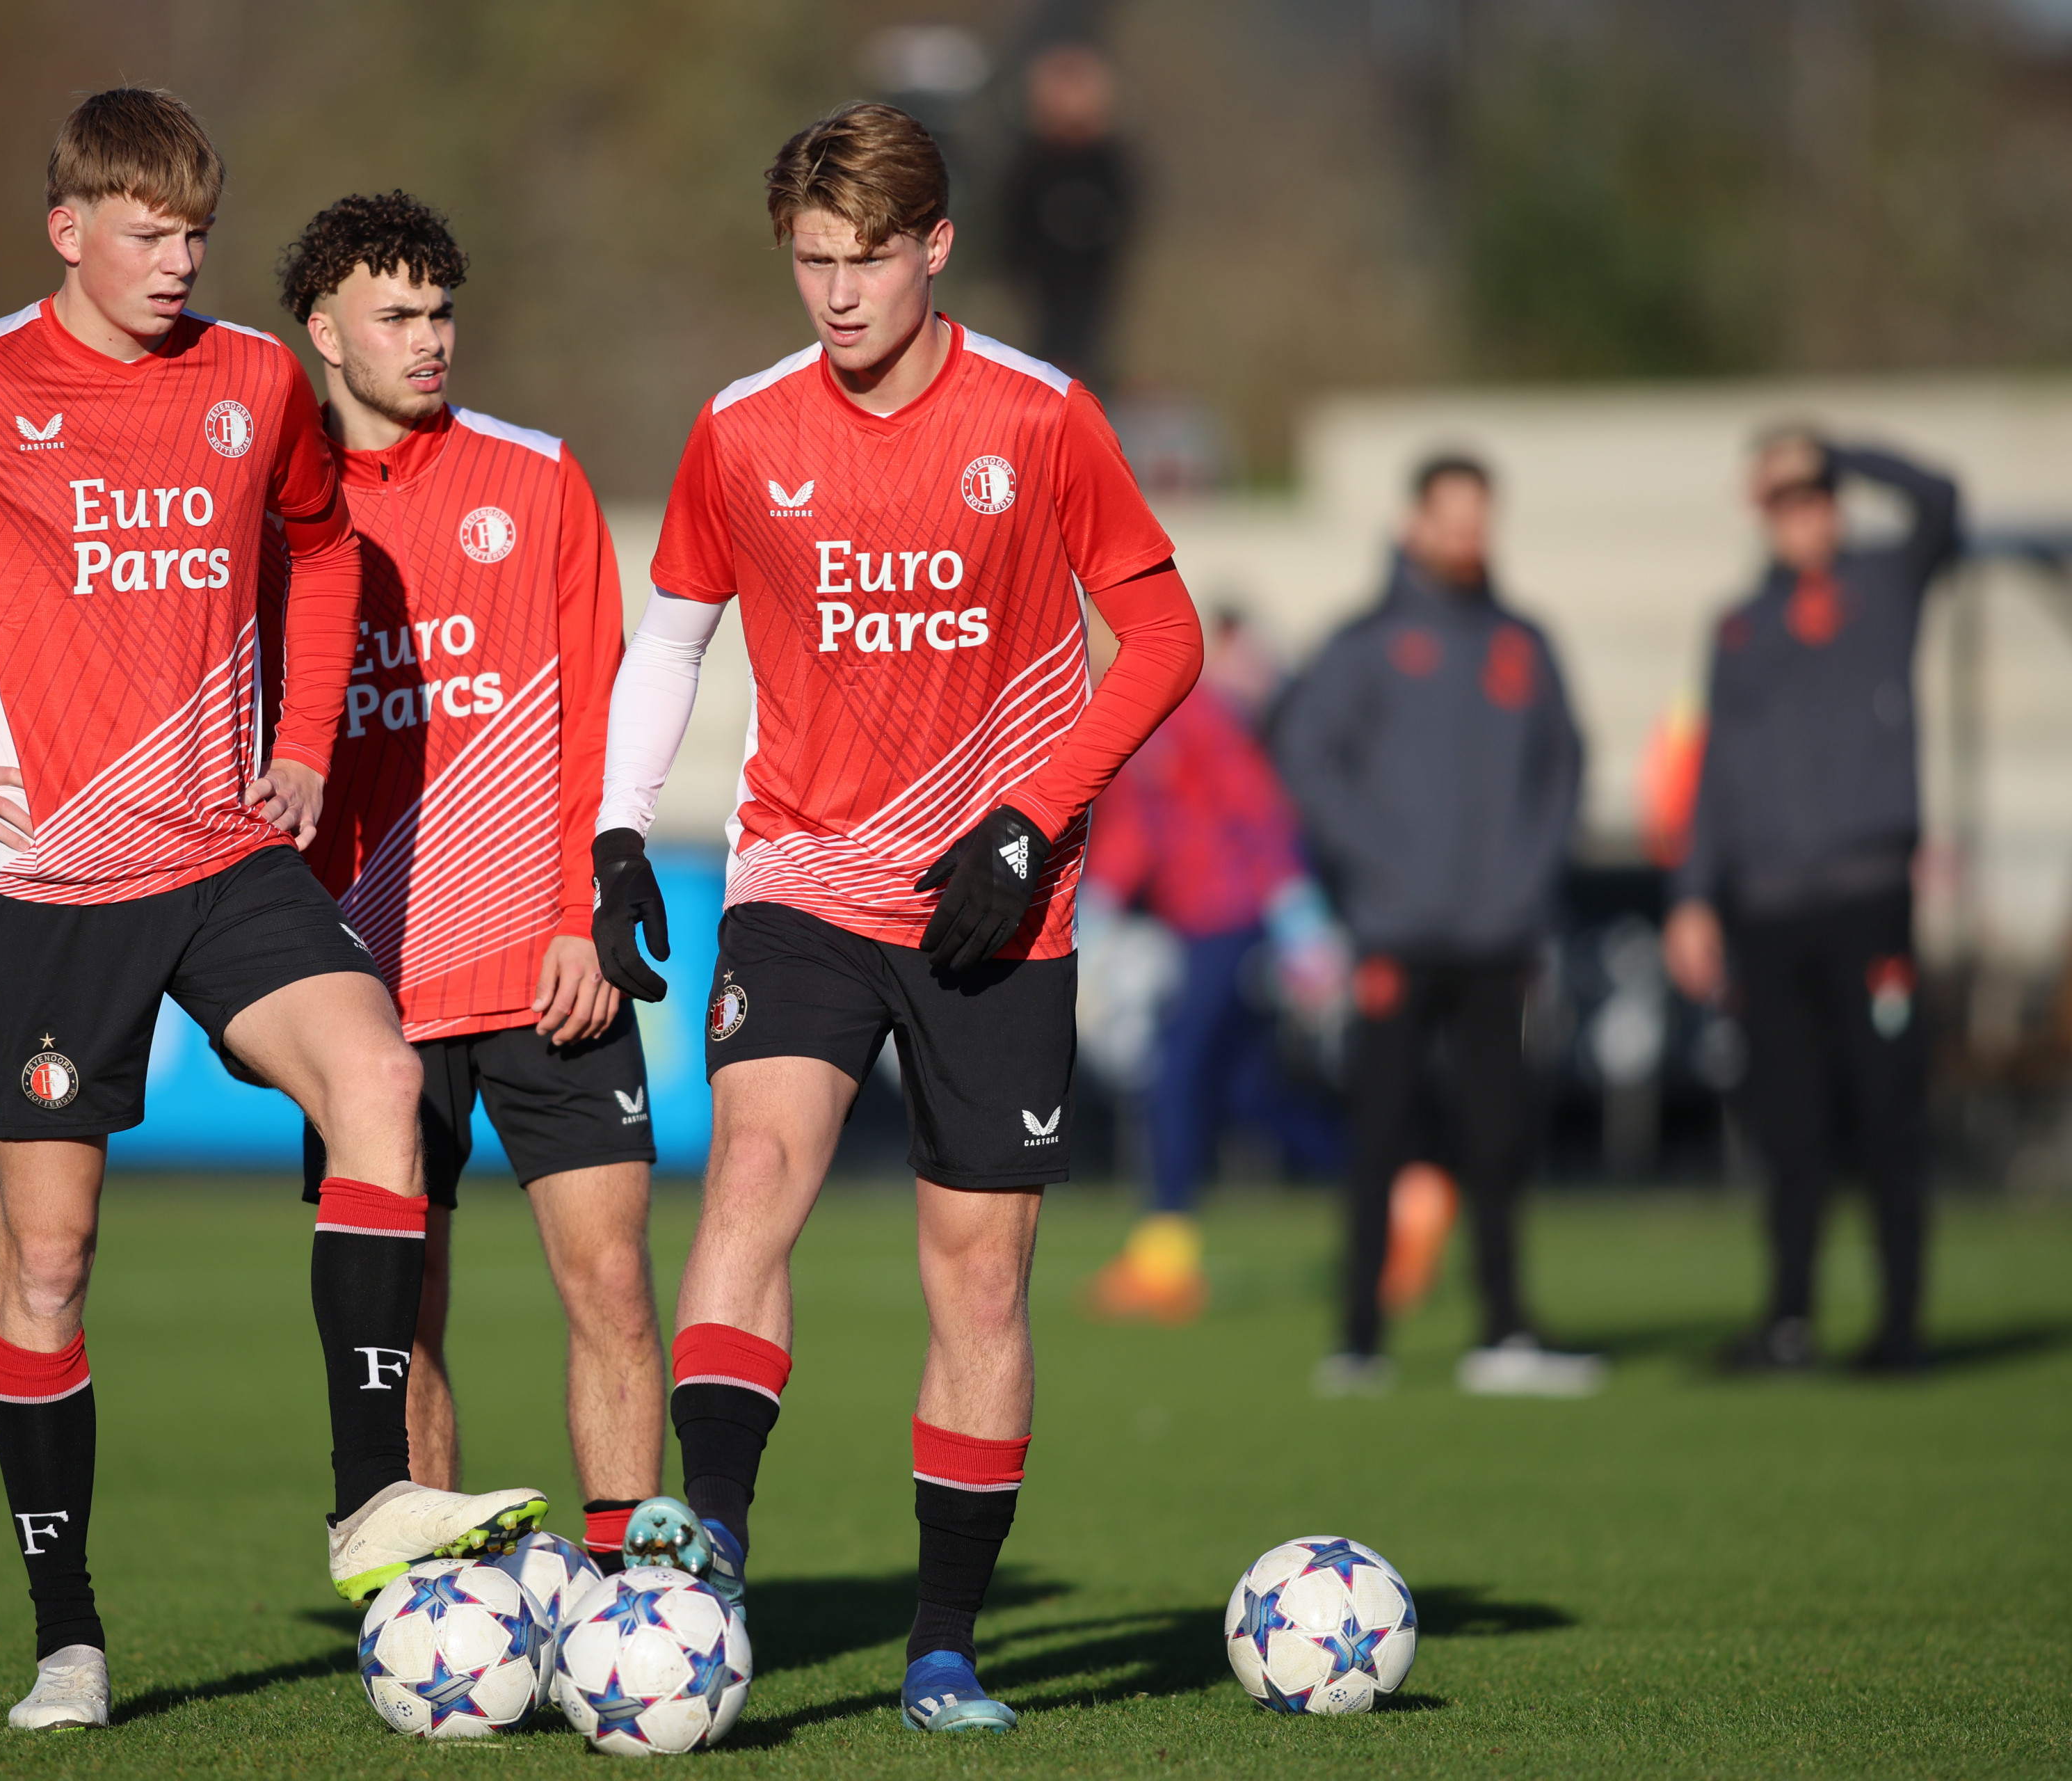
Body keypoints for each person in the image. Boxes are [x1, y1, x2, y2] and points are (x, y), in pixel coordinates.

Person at [0, 90, 547, 1734]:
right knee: (48, 1260)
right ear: (68, 230)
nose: (174, 264)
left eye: (193, 235)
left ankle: (370, 1494)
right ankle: (68, 1633)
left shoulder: (249, 380)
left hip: (224, 856)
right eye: (145, 233)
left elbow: (322, 552)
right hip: (49, 886)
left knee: (377, 1079)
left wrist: (302, 742)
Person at [585, 102, 1202, 1733]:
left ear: (933, 246)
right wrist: (614, 827)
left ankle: (942, 1640)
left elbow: (1158, 641)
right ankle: (707, 1535)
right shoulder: (738, 428)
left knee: (978, 1276)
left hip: (1000, 901)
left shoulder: (1044, 418)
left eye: (865, 259)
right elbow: (668, 640)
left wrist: (1028, 816)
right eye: (808, 262)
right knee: (758, 1167)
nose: (836, 295)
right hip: (800, 871)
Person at [266, 191, 663, 1567]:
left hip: (546, 965)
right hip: (368, 993)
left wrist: (578, 915)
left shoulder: (535, 476)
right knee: (406, 1315)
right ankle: (433, 1606)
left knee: (609, 1278)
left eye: (443, 313)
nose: (432, 341)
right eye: (399, 316)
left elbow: (599, 720)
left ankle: (621, 1591)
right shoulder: (276, 520)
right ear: (325, 332)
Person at [1272, 453, 1602, 1398]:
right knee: (1380, 1134)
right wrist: (1378, 866)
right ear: (1413, 522)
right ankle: (1361, 1336)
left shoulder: (1523, 644)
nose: (1467, 535)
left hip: (1501, 935)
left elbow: (1565, 768)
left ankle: (1506, 1330)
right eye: (1450, 516)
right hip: (1397, 931)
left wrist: (1528, 878)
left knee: (1499, 1135)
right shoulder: (1364, 644)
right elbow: (1306, 758)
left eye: (1479, 517)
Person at [1663, 429, 1959, 1375]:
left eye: (1813, 496)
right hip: (1767, 907)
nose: (1801, 517)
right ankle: (1789, 1320)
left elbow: (1944, 497)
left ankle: (1902, 1325)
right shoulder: (1740, 627)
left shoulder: (1884, 586)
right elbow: (1714, 770)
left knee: (1885, 1109)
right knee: (1789, 1123)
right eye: (1782, 501)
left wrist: (1831, 447)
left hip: (1865, 897)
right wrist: (1693, 896)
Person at [1082, 610, 1346, 1324]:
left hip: (1230, 917)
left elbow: (1256, 810)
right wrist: (1097, 911)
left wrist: (1300, 917)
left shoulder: (1185, 706)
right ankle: (1391, 1187)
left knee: (1176, 1074)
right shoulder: (1140, 711)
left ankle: (1165, 1261)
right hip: (1204, 920)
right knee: (1248, 1093)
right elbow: (1137, 830)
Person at [999, 42, 1135, 392]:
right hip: (1034, 315)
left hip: (1099, 317)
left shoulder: (1114, 166)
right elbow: (1008, 247)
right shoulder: (1026, 167)